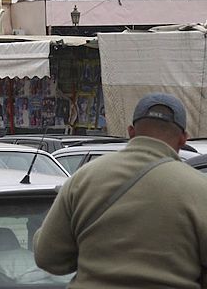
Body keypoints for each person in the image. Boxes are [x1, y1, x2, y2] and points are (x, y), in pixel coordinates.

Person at [33, 93, 207, 287]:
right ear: (183, 139)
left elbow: (48, 257)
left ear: (131, 132)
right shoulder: (200, 189)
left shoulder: (84, 178)